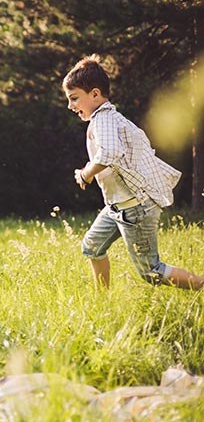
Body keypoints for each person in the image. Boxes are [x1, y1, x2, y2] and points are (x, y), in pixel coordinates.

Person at [63, 54, 204, 290]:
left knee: (151, 271)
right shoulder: (105, 118)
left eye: (74, 98)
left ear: (95, 94)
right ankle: (102, 303)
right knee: (92, 246)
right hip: (117, 207)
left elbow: (109, 153)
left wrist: (86, 173)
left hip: (135, 209)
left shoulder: (103, 120)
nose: (71, 106)